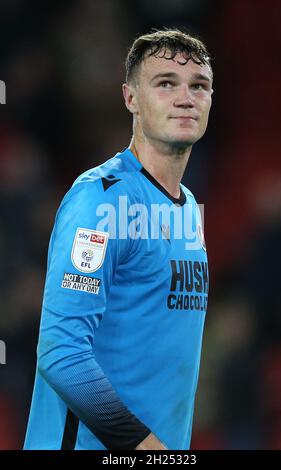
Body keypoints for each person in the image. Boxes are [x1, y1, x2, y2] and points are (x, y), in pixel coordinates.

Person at [24, 28, 213, 451]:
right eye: (166, 84)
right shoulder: (99, 198)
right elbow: (62, 354)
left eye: (199, 86)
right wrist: (147, 450)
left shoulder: (189, 208)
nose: (186, 97)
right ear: (130, 98)